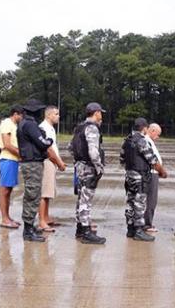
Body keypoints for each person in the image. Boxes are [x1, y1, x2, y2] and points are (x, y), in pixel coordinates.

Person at [17, 99, 59, 242]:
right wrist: (49, 141)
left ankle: (29, 227)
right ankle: (28, 230)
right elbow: (43, 142)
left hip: (31, 162)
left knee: (33, 195)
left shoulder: (25, 123)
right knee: (32, 195)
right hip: (32, 163)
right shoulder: (30, 124)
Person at [120, 118, 167, 241]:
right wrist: (162, 172)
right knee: (139, 204)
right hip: (140, 176)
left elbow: (122, 160)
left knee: (130, 203)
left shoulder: (127, 141)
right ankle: (139, 230)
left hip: (129, 176)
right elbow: (152, 160)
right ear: (145, 128)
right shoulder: (141, 141)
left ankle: (130, 229)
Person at [69, 102, 107, 244]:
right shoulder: (92, 128)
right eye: (100, 112)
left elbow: (70, 147)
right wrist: (99, 167)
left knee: (81, 198)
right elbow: (93, 151)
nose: (101, 115)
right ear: (96, 113)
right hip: (89, 167)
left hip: (80, 166)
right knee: (86, 200)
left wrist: (78, 161)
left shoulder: (79, 128)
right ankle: (86, 232)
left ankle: (80, 228)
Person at [38, 105, 66, 232]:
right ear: (48, 115)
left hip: (52, 162)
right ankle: (41, 221)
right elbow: (48, 149)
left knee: (49, 192)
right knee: (44, 192)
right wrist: (59, 162)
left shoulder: (50, 128)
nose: (58, 116)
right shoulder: (44, 128)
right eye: (56, 114)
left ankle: (46, 217)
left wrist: (59, 161)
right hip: (48, 161)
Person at [0, 105, 24, 229]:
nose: (22, 117)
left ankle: (7, 217)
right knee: (4, 190)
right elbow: (7, 144)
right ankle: (4, 219)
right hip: (8, 159)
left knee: (9, 190)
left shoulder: (14, 126)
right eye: (21, 115)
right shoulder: (7, 124)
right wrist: (22, 154)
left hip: (13, 160)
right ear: (15, 114)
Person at [144, 123, 163, 232]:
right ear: (152, 131)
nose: (158, 137)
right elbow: (152, 160)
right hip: (151, 173)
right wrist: (161, 171)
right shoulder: (146, 141)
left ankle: (147, 222)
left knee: (151, 199)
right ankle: (147, 224)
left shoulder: (149, 141)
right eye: (158, 134)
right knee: (151, 199)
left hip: (153, 172)